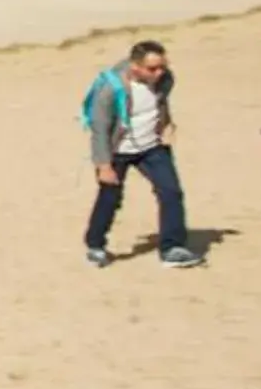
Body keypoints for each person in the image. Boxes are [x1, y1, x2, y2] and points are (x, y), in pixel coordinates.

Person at [82, 41, 200, 268]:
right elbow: (100, 128)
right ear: (135, 67)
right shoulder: (109, 88)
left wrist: (166, 124)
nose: (160, 73)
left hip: (151, 146)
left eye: (162, 67)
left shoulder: (165, 80)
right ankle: (95, 246)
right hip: (117, 151)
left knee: (171, 192)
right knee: (110, 198)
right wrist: (104, 165)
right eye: (152, 69)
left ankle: (172, 248)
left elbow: (160, 102)